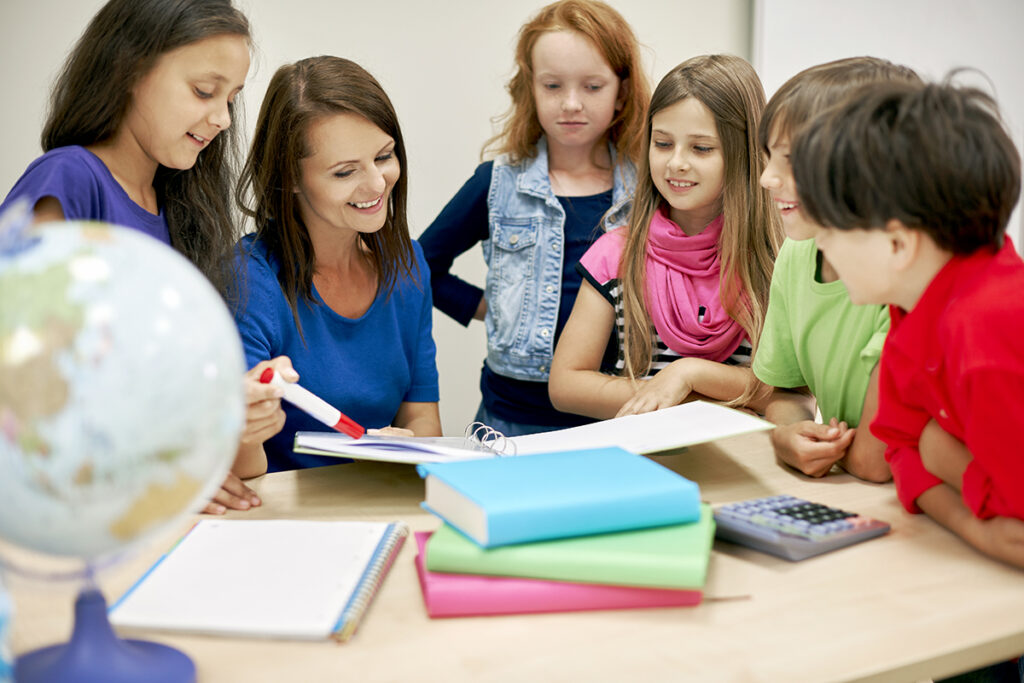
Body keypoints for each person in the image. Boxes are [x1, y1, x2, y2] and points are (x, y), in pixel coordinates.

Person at [0, 0, 266, 515]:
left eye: (231, 97)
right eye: (204, 91)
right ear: (130, 70)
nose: (222, 119)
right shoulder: (68, 180)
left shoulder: (182, 213)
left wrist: (233, 414)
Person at [791, 79, 1024, 569]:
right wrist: (968, 513)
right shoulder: (915, 306)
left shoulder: (987, 329)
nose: (822, 245)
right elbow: (900, 447)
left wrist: (937, 453)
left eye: (830, 229)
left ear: (898, 246)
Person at [417, 0, 650, 437]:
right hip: (511, 418)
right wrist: (492, 310)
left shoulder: (647, 191)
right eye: (553, 85)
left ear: (621, 90)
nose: (572, 103)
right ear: (530, 88)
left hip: (617, 416)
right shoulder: (497, 182)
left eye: (593, 86)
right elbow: (419, 262)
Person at [232, 56, 441, 475]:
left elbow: (422, 418)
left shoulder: (408, 265)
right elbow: (239, 467)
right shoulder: (248, 280)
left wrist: (408, 449)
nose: (377, 184)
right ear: (289, 177)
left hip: (380, 503)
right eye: (345, 172)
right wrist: (245, 428)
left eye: (384, 156)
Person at [549, 54, 782, 419]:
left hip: (744, 466)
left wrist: (690, 373)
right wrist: (683, 398)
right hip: (642, 467)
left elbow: (787, 393)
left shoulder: (778, 261)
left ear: (745, 155)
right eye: (662, 144)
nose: (676, 163)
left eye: (701, 148)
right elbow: (566, 385)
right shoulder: (616, 254)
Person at [754, 58, 920, 482]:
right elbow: (787, 388)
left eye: (790, 160)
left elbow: (875, 461)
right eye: (769, 157)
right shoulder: (797, 253)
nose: (767, 179)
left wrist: (836, 450)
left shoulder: (905, 278)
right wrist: (788, 431)